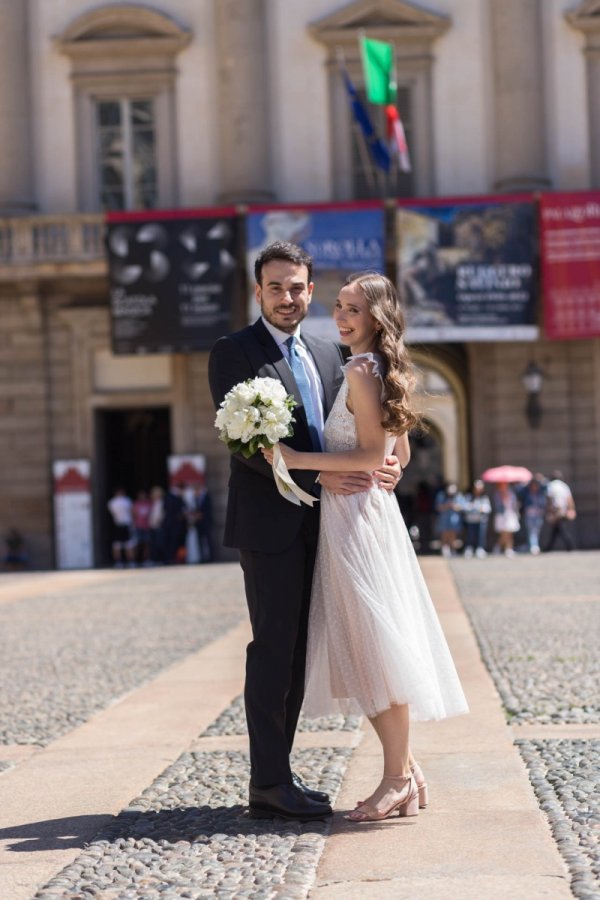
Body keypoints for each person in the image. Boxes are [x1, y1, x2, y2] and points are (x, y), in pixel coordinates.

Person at [208, 241, 403, 822]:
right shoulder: (233, 352)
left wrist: (386, 461)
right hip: (268, 526)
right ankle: (268, 782)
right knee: (273, 651)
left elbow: (363, 432)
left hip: (331, 524)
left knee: (303, 653)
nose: (287, 297)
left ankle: (283, 776)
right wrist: (313, 472)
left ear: (309, 291)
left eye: (297, 287)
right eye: (276, 287)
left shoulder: (329, 352)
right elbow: (244, 446)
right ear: (258, 290)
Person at [263, 272, 468, 823]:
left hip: (356, 520)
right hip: (362, 516)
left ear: (376, 317)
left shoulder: (358, 369)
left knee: (374, 650)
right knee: (368, 648)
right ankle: (407, 768)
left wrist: (294, 459)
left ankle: (397, 778)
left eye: (353, 309)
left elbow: (374, 453)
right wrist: (381, 468)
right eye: (339, 306)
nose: (341, 316)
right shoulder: (376, 368)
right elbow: (394, 456)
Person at [545, 470, 576, 552]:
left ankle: (570, 546)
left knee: (561, 528)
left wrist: (549, 511)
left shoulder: (550, 485)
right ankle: (549, 548)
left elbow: (549, 499)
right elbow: (569, 499)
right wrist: (571, 509)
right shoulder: (564, 486)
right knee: (559, 528)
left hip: (555, 509)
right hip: (563, 509)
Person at [434, 482, 464, 558]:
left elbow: (462, 506)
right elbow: (438, 507)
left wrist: (454, 506)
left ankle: (452, 549)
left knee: (453, 534)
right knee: (445, 534)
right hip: (444, 519)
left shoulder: (458, 496)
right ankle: (445, 549)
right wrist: (447, 506)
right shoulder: (441, 495)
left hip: (454, 519)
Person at [107, 487, 135, 567]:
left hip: (118, 524)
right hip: (126, 524)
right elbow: (132, 512)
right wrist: (133, 522)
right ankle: (130, 562)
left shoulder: (112, 502)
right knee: (128, 544)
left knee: (118, 545)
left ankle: (118, 562)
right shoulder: (127, 500)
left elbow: (112, 513)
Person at [462, 479, 491, 558]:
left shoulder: (484, 498)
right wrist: (472, 507)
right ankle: (469, 549)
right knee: (470, 535)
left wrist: (481, 508)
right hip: (470, 520)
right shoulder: (469, 497)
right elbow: (464, 507)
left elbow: (488, 508)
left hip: (481, 520)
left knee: (481, 535)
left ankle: (480, 549)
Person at [492, 482, 520, 557]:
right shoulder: (497, 494)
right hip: (502, 515)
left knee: (510, 533)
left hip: (510, 514)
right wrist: (503, 497)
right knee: (504, 533)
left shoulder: (511, 492)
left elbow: (514, 503)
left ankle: (509, 549)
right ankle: (497, 546)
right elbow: (497, 505)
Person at [521, 476, 547, 555]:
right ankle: (534, 546)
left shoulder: (540, 492)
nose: (534, 487)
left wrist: (542, 479)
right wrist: (525, 483)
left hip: (539, 514)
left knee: (536, 531)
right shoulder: (526, 492)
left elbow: (546, 486)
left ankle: (532, 545)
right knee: (531, 530)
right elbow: (519, 490)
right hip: (529, 514)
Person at [132, 490, 152, 565]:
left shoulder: (149, 504)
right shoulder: (136, 504)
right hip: (138, 526)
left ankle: (146, 560)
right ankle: (136, 560)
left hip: (147, 527)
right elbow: (133, 515)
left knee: (147, 544)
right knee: (137, 544)